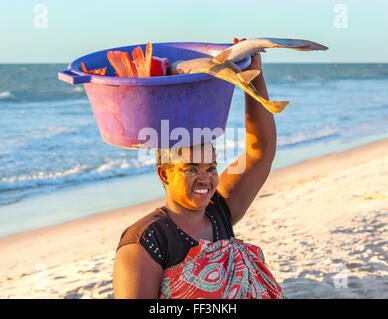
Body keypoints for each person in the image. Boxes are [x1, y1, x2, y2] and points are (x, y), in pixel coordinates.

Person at [113, 50, 284, 299]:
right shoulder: (147, 241)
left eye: (211, 168)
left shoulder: (219, 213)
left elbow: (261, 152)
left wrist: (254, 76)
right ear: (164, 174)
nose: (205, 179)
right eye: (191, 169)